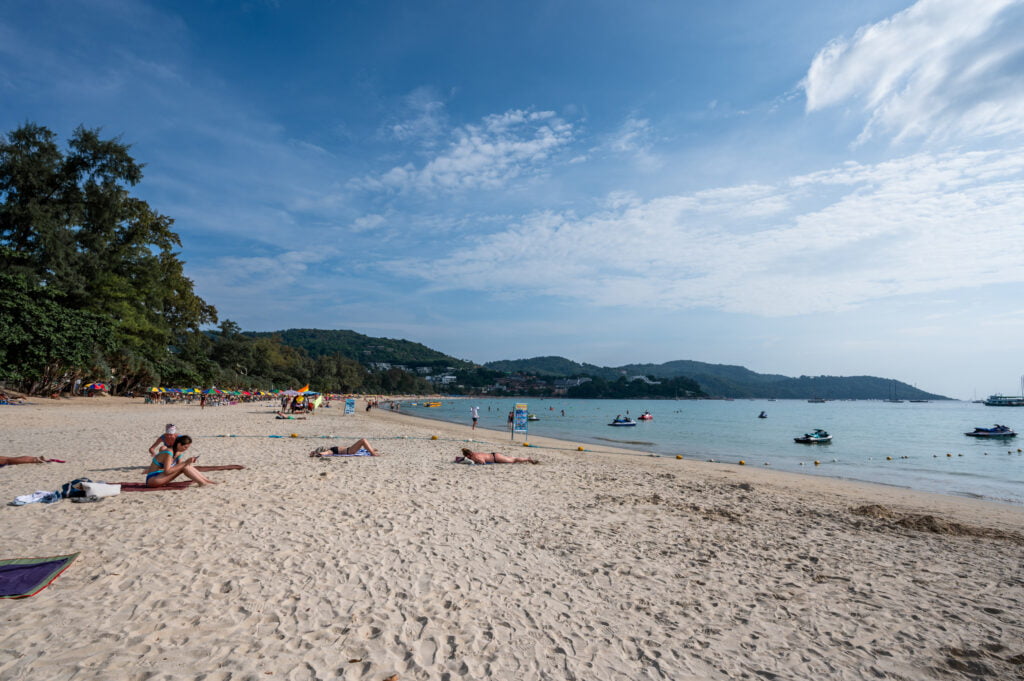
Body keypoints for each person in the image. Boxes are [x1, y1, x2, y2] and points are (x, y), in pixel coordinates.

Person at [145, 435, 218, 487]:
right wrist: (185, 463)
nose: (186, 449)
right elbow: (167, 471)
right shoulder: (168, 452)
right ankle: (202, 483)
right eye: (185, 447)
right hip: (153, 479)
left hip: (160, 477)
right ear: (179, 444)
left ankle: (206, 481)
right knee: (184, 465)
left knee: (186, 465)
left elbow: (181, 466)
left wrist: (187, 463)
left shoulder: (178, 452)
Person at [456, 448, 539, 465]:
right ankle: (526, 459)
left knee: (513, 460)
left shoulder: (474, 457)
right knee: (512, 459)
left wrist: (476, 462)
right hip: (494, 455)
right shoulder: (474, 453)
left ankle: (527, 459)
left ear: (468, 455)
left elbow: (483, 462)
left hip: (496, 458)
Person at [309, 439, 378, 457]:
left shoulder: (331, 449)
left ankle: (371, 451)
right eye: (322, 448)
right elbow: (323, 454)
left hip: (350, 449)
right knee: (363, 440)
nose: (323, 447)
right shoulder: (330, 451)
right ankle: (373, 453)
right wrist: (315, 453)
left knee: (363, 442)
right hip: (350, 451)